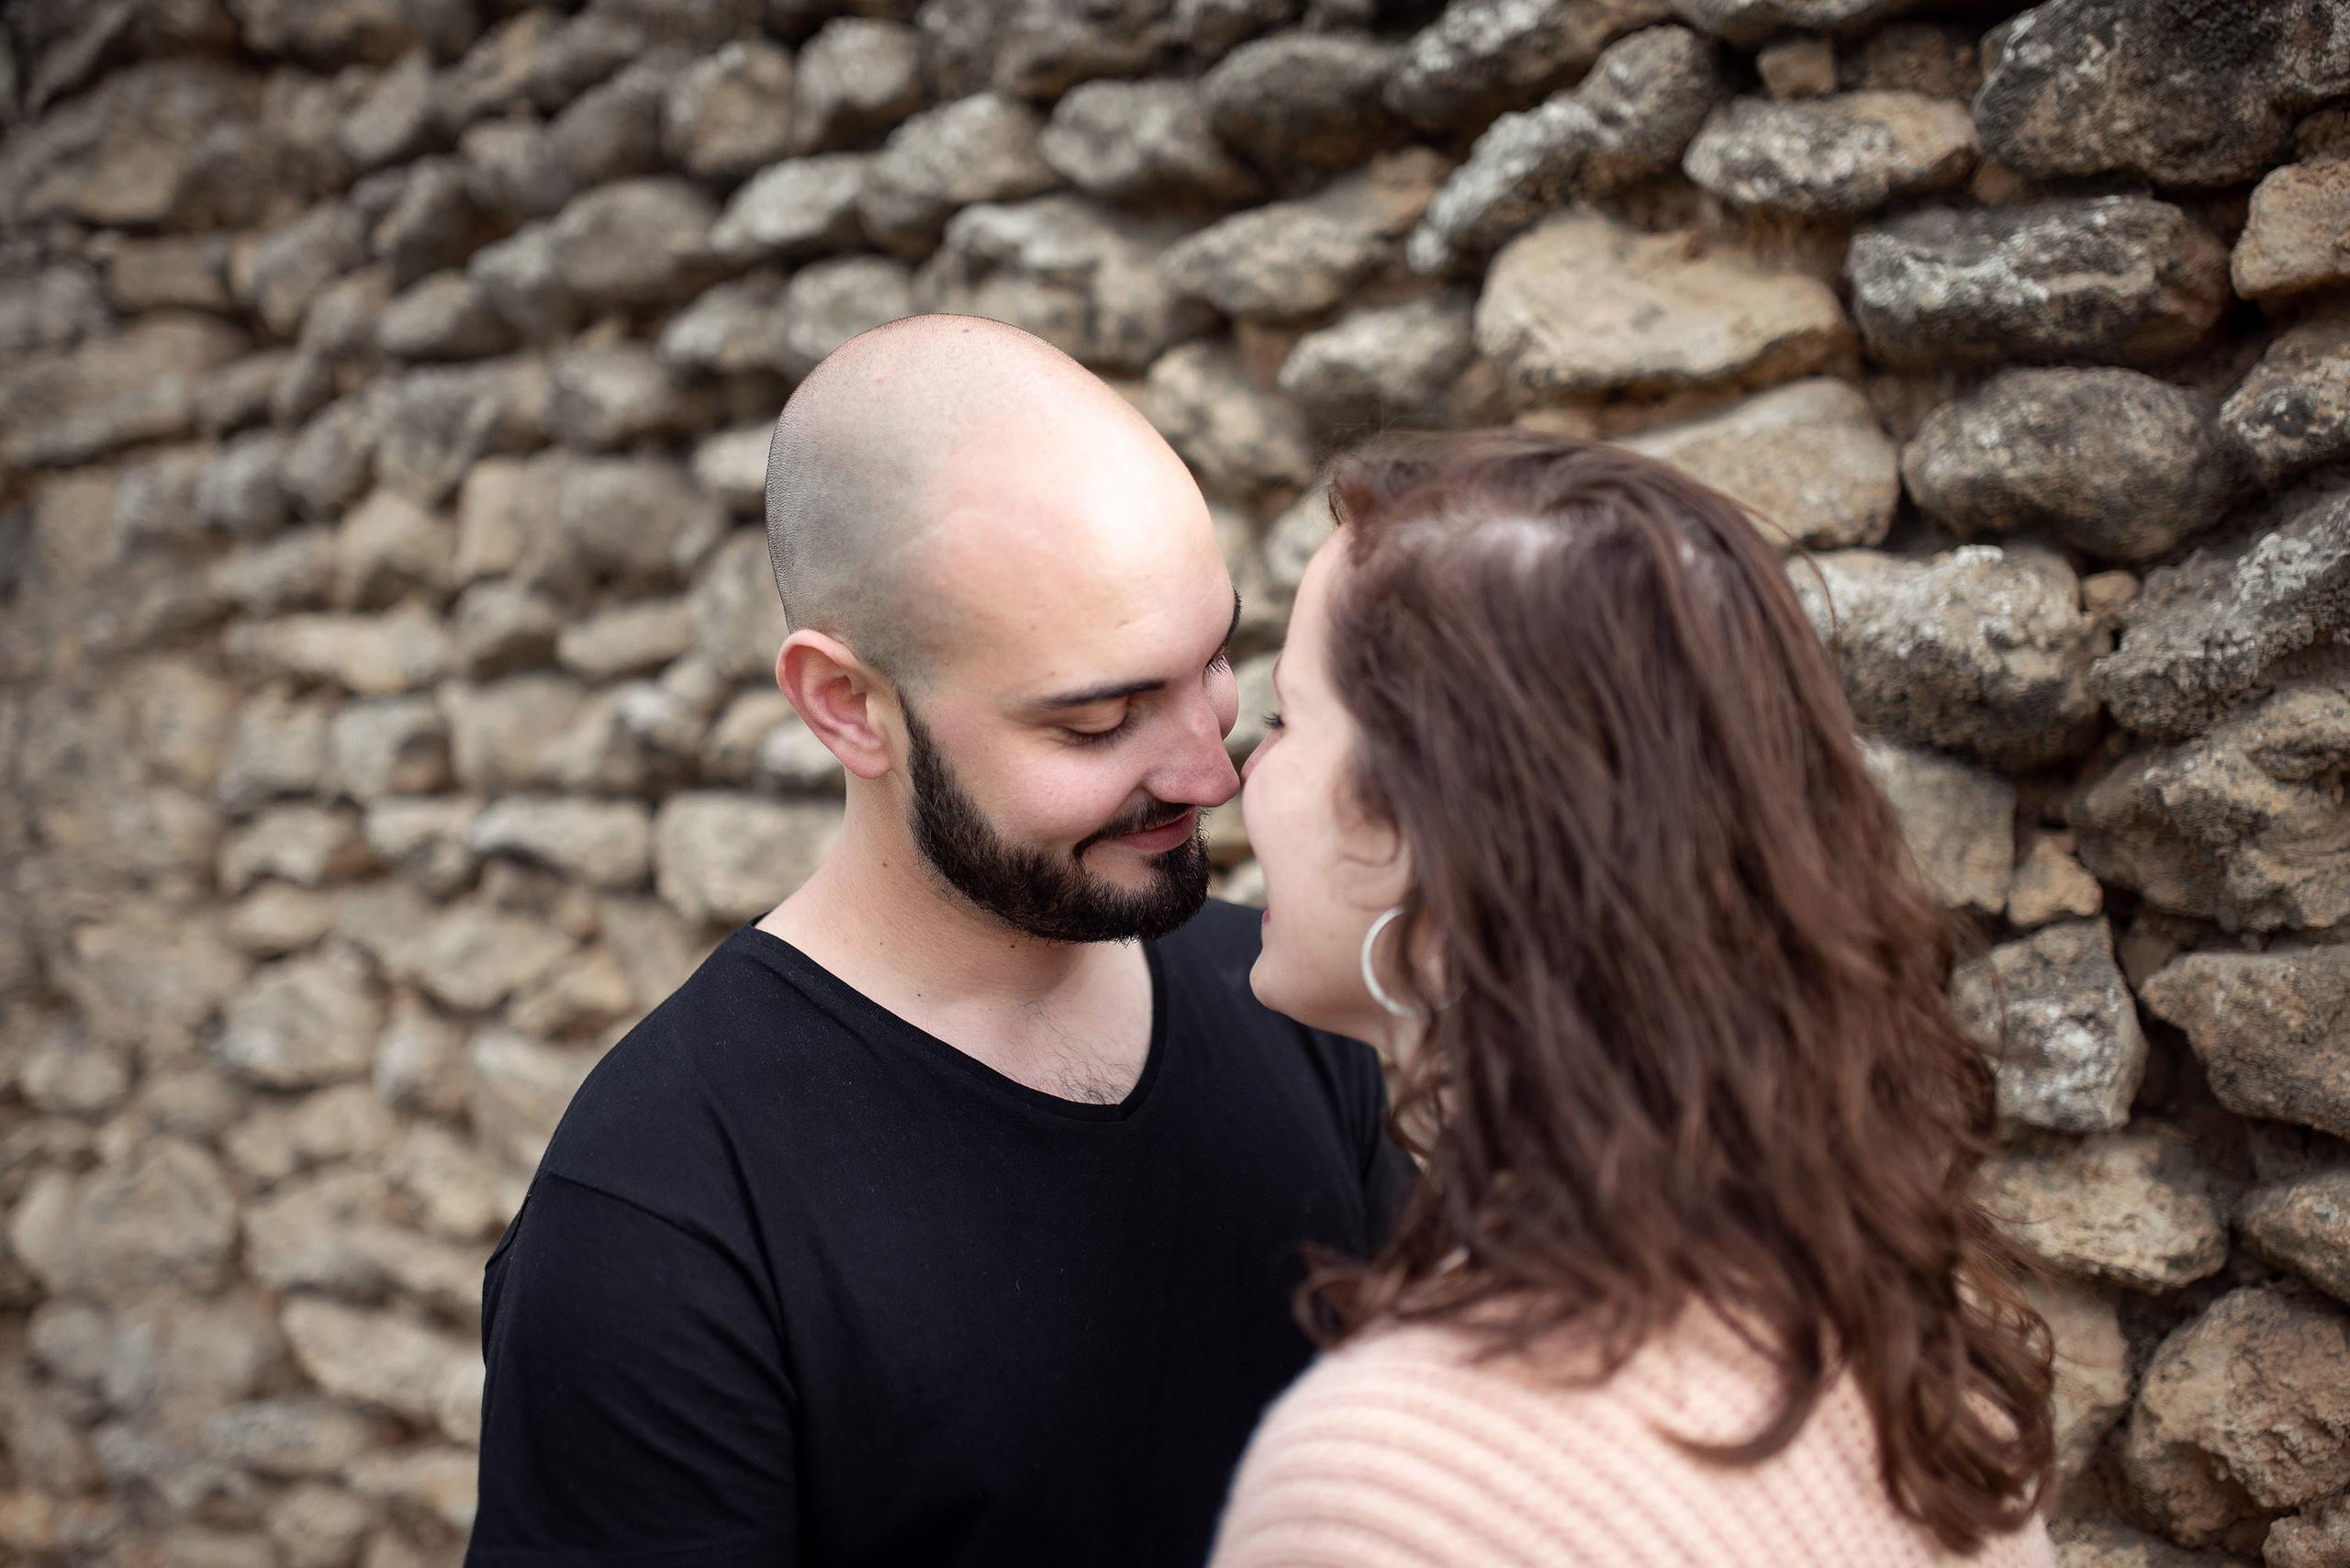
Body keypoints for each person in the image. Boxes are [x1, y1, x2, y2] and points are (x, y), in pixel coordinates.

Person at [466, 317, 1410, 1568]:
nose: (1208, 769)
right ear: (848, 707)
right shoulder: (662, 1210)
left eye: (1214, 664)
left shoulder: (1290, 1002)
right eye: (1100, 721)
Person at [1211, 430, 2057, 1568]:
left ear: (1432, 830)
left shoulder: (1391, 1487)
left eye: (1282, 720)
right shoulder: (1895, 1307)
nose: (1230, 778)